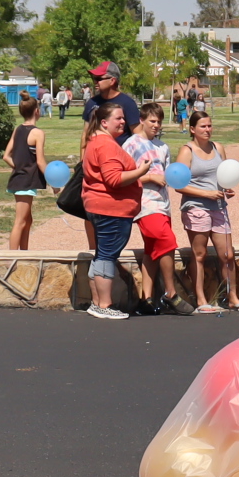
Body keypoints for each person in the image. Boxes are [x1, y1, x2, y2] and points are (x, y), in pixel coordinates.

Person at [81, 99, 152, 320]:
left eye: (123, 117)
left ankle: (97, 304)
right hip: (110, 210)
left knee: (102, 254)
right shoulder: (105, 144)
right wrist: (141, 171)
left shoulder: (97, 142)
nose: (123, 122)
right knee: (107, 257)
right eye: (118, 118)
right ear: (104, 122)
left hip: (104, 208)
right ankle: (104, 304)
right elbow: (113, 179)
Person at [176, 111, 239, 312]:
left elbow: (223, 176)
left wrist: (225, 190)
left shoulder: (218, 148)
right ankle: (201, 299)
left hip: (219, 207)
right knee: (199, 254)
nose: (207, 130)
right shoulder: (187, 151)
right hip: (196, 208)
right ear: (192, 129)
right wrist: (206, 194)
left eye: (209, 125)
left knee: (227, 254)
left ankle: (233, 297)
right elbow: (178, 184)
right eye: (203, 126)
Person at [124, 102, 182, 316]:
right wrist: (148, 176)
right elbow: (124, 177)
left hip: (163, 203)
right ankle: (170, 292)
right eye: (152, 121)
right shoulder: (131, 144)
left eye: (159, 121)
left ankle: (146, 299)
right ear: (142, 120)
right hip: (144, 203)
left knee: (152, 251)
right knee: (167, 242)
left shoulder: (163, 147)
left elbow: (167, 173)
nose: (156, 125)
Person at [5, 96, 46, 250]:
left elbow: (6, 156)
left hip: (20, 179)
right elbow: (41, 162)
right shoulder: (38, 133)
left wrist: (18, 167)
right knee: (20, 221)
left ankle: (24, 252)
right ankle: (13, 258)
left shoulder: (18, 129)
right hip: (24, 181)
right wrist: (54, 183)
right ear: (37, 111)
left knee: (28, 220)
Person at [79, 62, 140, 138]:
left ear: (112, 81)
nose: (95, 82)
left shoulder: (128, 103)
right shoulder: (91, 102)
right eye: (94, 78)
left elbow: (138, 135)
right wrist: (83, 149)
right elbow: (86, 133)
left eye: (98, 79)